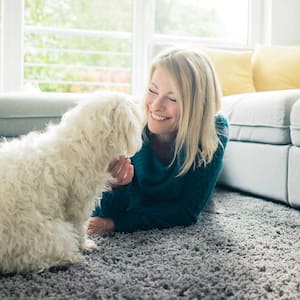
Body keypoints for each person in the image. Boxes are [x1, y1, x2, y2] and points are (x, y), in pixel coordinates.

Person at [87, 47, 229, 235]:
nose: (155, 105)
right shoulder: (131, 126)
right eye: (152, 90)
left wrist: (116, 225)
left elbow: (186, 210)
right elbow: (102, 212)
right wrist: (116, 186)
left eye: (172, 98)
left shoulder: (213, 130)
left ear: (197, 107)